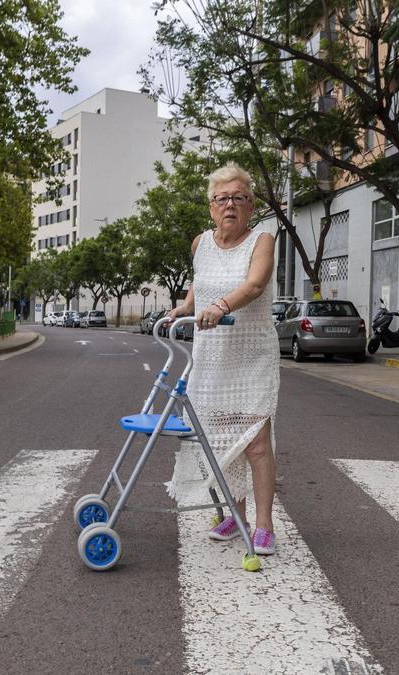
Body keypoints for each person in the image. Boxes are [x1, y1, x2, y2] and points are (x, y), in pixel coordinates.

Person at [165, 162, 280, 556]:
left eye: (239, 198)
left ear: (250, 206)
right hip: (211, 356)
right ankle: (237, 515)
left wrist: (221, 305)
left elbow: (255, 284)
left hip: (251, 355)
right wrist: (184, 307)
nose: (230, 204)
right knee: (218, 441)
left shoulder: (262, 239)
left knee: (257, 444)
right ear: (211, 206)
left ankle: (264, 526)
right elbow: (201, 279)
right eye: (222, 198)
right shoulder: (201, 243)